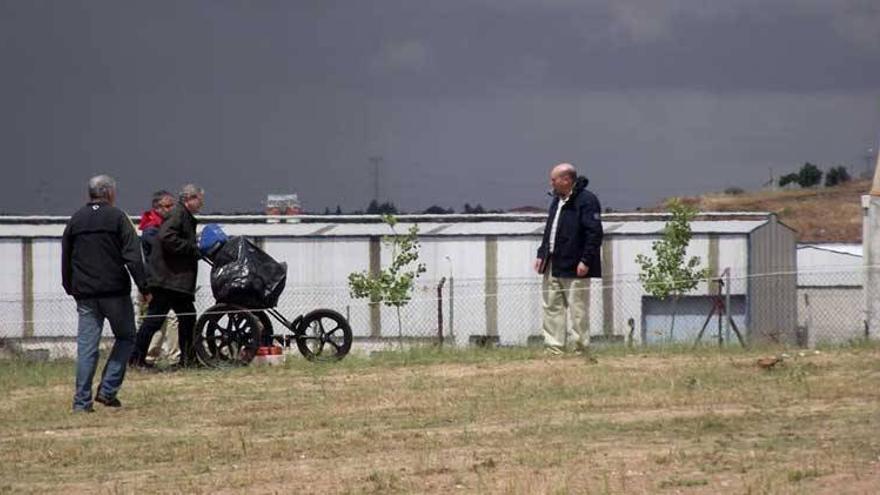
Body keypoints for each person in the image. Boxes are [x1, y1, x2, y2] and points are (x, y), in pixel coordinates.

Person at [62, 175, 151, 412]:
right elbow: (133, 256)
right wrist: (144, 286)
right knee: (126, 337)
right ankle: (108, 390)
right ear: (109, 193)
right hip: (114, 291)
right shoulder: (117, 217)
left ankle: (81, 403)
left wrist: (69, 286)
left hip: (85, 294)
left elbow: (66, 256)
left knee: (87, 347)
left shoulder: (76, 219)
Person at [130, 184, 204, 370]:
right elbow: (166, 236)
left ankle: (187, 360)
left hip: (172, 280)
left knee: (184, 317)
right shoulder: (179, 214)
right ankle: (136, 359)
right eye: (199, 200)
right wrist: (191, 249)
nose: (201, 204)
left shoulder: (182, 215)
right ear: (190, 199)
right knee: (156, 319)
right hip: (169, 280)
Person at [534, 163, 604, 357]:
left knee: (578, 310)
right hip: (553, 263)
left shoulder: (587, 200)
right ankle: (554, 348)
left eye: (554, 179)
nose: (551, 183)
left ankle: (580, 349)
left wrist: (586, 260)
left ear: (566, 180)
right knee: (552, 307)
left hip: (576, 265)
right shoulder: (557, 201)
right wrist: (541, 254)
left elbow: (594, 233)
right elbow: (550, 230)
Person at [138, 190, 180, 366]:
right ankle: (146, 356)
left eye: (173, 205)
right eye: (168, 206)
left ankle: (167, 355)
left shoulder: (163, 226)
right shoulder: (151, 230)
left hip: (166, 280)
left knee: (165, 319)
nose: (171, 209)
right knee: (158, 321)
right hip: (157, 282)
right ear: (157, 207)